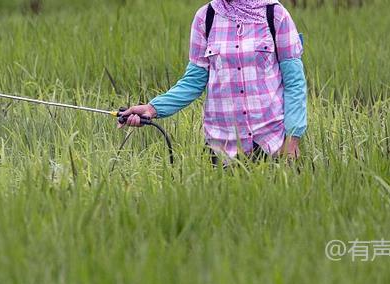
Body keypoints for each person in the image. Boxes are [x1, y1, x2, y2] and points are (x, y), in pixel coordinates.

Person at [119, 0, 307, 163]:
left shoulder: (275, 15)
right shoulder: (206, 17)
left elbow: (295, 83)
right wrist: (152, 109)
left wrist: (292, 140)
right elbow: (193, 82)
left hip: (271, 144)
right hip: (221, 149)